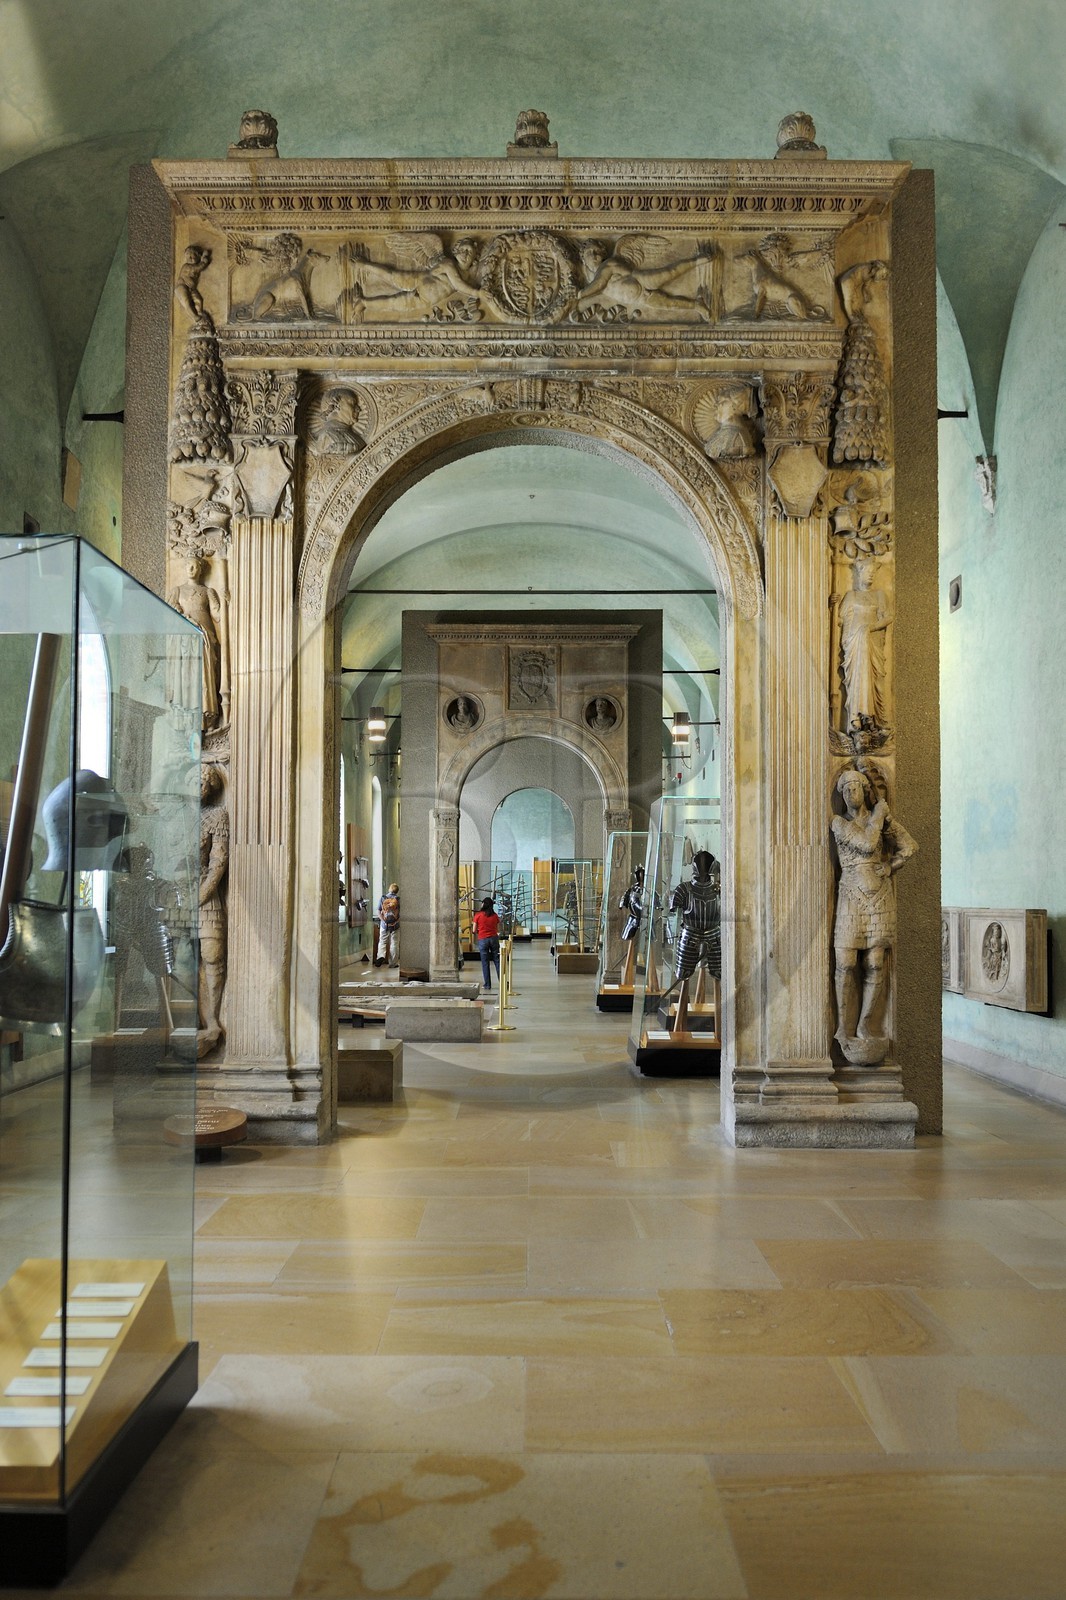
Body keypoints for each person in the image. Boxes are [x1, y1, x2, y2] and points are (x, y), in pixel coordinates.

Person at [471, 896, 501, 991]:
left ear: (483, 904)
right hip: (494, 939)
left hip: (483, 939)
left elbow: (474, 930)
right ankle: (503, 982)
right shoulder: (495, 916)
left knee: (485, 963)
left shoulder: (478, 915)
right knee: (497, 960)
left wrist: (479, 931)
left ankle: (487, 984)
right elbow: (498, 929)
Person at [376, 882, 400, 967]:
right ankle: (393, 963)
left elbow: (378, 911)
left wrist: (383, 920)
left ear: (389, 889)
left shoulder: (383, 898)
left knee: (382, 941)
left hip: (384, 924)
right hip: (395, 924)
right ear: (397, 891)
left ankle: (381, 956)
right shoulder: (398, 899)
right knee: (394, 943)